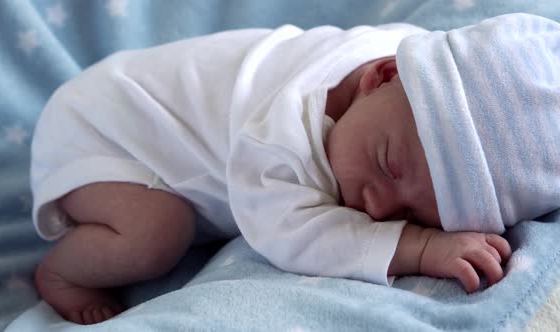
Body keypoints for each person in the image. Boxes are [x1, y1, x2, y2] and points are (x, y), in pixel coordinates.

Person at [30, 13, 560, 325]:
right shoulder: (282, 134)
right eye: (387, 167)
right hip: (108, 133)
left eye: (415, 213)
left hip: (128, 121)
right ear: (382, 75)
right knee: (155, 235)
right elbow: (288, 232)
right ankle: (64, 271)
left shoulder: (401, 96)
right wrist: (419, 245)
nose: (376, 206)